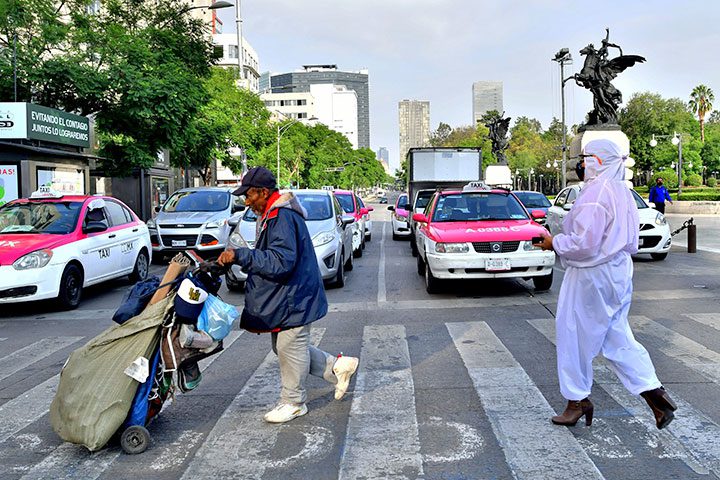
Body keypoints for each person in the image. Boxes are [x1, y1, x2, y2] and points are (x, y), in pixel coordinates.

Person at [534, 139, 677, 430]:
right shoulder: (623, 191)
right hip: (618, 271)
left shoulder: (596, 192)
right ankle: (655, 394)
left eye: (585, 157)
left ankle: (576, 401)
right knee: (615, 335)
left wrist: (554, 242)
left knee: (573, 333)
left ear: (599, 161)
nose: (581, 163)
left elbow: (584, 243)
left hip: (592, 273)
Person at [217, 167, 359, 424]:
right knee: (285, 346)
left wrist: (241, 255)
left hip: (294, 296)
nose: (247, 202)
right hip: (289, 295)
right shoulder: (274, 213)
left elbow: (281, 261)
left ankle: (293, 402)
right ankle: (338, 367)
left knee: (288, 345)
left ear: (263, 192)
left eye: (249, 196)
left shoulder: (281, 216)